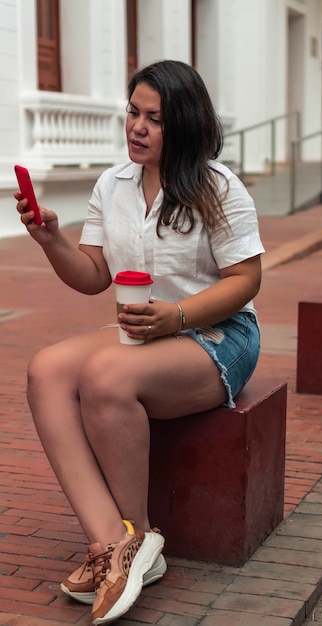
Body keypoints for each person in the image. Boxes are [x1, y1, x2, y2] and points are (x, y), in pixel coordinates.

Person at [15, 59, 264, 625]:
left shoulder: (219, 187)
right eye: (133, 112)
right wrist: (50, 237)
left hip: (218, 334)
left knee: (104, 376)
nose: (137, 126)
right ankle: (112, 543)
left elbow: (246, 280)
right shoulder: (112, 184)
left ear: (183, 124)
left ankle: (137, 533)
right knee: (46, 369)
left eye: (154, 118)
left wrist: (177, 316)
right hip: (143, 331)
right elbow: (92, 275)